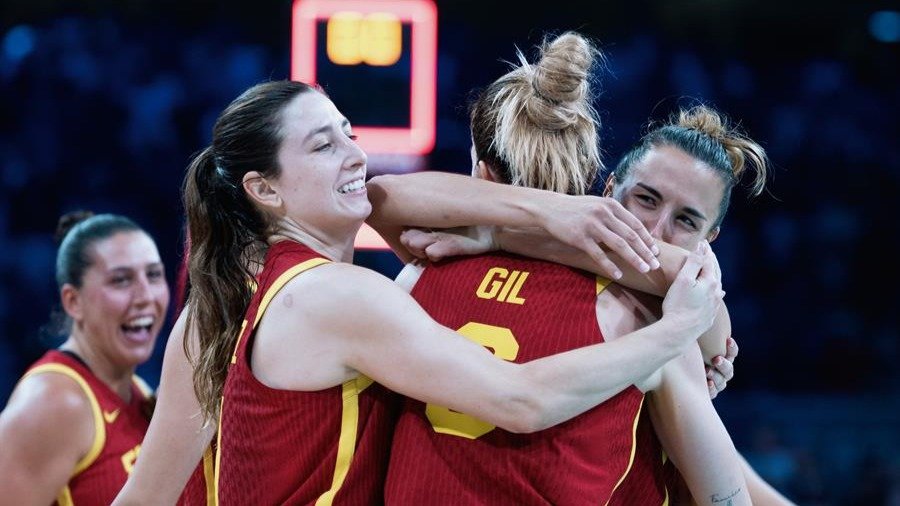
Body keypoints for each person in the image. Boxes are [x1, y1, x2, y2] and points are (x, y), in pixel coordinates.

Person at [115, 77, 722, 505]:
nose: (355, 155)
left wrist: (518, 226)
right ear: (265, 190)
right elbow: (521, 401)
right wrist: (676, 332)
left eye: (348, 132)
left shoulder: (222, 300)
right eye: (323, 146)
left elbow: (146, 496)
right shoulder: (348, 295)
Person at [380, 31, 749, 505]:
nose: (654, 233)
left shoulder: (416, 276)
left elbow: (381, 197)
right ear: (604, 186)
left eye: (685, 221)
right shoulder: (655, 321)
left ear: (481, 173)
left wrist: (499, 229)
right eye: (646, 199)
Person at [0, 211, 170, 505]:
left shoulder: (138, 391)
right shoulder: (53, 403)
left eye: (154, 275)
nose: (146, 296)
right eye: (121, 280)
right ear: (73, 301)